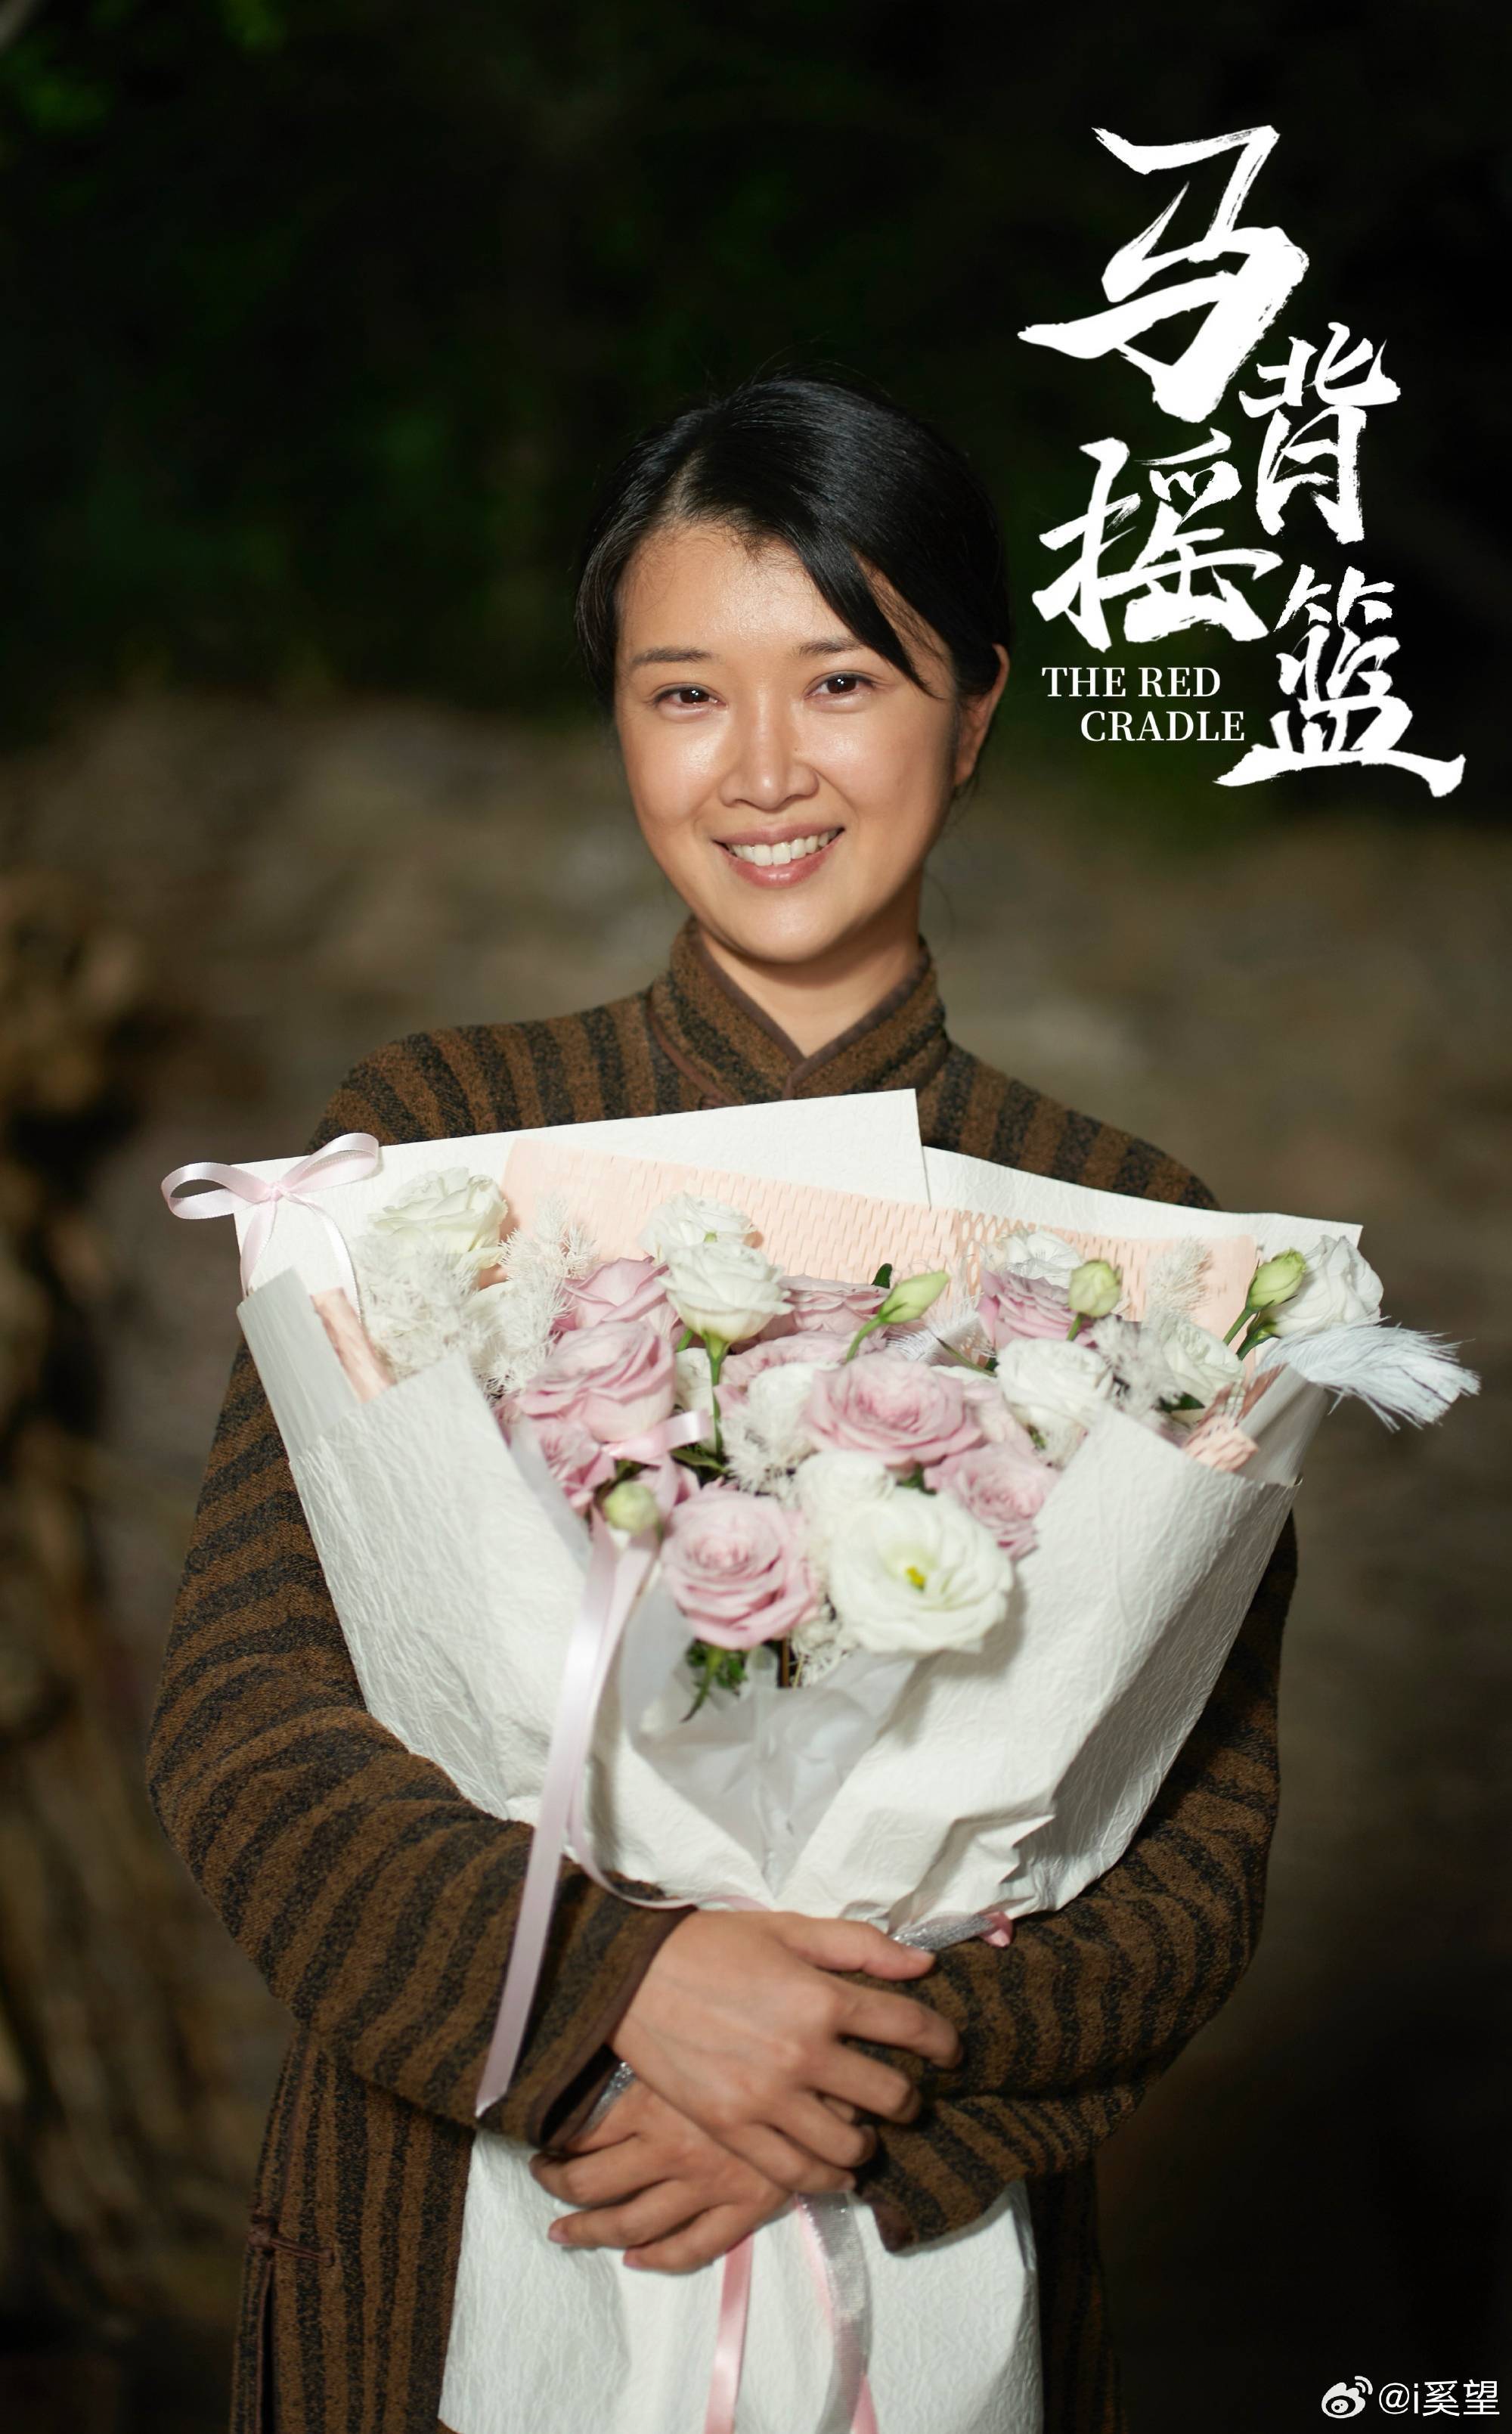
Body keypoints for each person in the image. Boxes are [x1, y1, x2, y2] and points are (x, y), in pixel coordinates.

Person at [147, 371, 1297, 2434]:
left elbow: (1197, 1859)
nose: (764, 768)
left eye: (843, 680)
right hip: (450, 2228)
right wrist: (617, 1997)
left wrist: (841, 2079)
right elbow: (249, 1718)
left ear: (976, 709)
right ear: (618, 720)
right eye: (685, 693)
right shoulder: (430, 1141)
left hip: (932, 2277)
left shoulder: (1141, 1238)